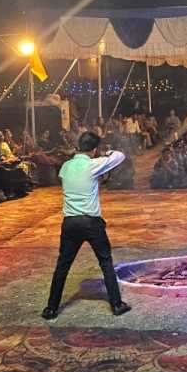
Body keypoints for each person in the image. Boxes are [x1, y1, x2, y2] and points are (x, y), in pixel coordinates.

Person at [41, 131, 131, 320]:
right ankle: (116, 304)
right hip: (91, 222)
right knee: (105, 262)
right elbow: (120, 156)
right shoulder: (93, 164)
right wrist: (106, 153)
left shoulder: (66, 166)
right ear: (94, 149)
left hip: (70, 221)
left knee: (62, 265)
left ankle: (51, 308)